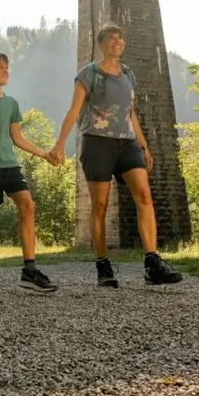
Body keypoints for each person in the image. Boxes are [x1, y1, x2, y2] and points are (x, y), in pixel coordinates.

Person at [48, 23, 183, 287]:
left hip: (127, 144)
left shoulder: (128, 74)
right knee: (100, 205)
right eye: (112, 39)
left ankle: (152, 262)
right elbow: (73, 111)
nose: (117, 42)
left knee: (144, 195)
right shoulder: (89, 74)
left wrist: (143, 146)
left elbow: (129, 113)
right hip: (97, 144)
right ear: (101, 44)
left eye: (120, 39)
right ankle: (103, 266)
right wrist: (59, 144)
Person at [0, 49, 58, 294]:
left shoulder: (11, 103)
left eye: (7, 67)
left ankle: (29, 270)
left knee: (28, 205)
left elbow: (18, 138)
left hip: (9, 166)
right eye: (1, 67)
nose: (7, 71)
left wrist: (44, 154)